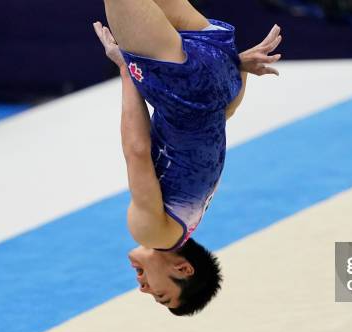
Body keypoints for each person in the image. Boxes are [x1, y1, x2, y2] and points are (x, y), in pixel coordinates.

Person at [92, 0, 282, 315]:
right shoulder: (153, 232)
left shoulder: (195, 212)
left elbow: (220, 121)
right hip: (181, 82)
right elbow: (136, 151)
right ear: (183, 270)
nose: (143, 289)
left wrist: (238, 67)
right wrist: (127, 68)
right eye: (160, 295)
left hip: (221, 71)